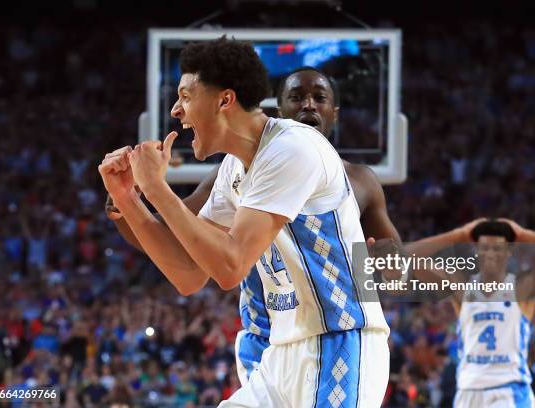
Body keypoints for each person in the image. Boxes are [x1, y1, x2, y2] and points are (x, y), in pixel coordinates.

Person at [99, 37, 390, 407]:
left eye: (186, 96)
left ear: (224, 100)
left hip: (340, 343)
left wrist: (156, 188)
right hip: (281, 353)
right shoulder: (234, 168)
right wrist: (128, 199)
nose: (176, 110)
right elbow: (189, 273)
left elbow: (230, 267)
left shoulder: (293, 148)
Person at [403, 219, 535, 408]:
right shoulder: (461, 289)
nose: (490, 254)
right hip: (468, 391)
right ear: (477, 251)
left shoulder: (523, 288)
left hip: (508, 390)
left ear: (509, 252)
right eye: (484, 248)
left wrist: (524, 234)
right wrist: (457, 234)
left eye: (497, 248)